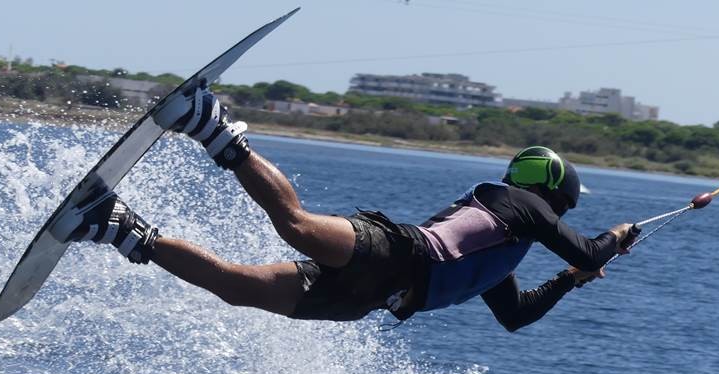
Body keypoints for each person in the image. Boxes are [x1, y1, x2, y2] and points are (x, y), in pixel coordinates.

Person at [67, 85, 639, 329]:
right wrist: (616, 237)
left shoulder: (504, 252)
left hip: (373, 297)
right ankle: (211, 126)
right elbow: (591, 249)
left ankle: (120, 227)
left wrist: (569, 280)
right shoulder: (519, 202)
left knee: (237, 288)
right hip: (397, 252)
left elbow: (515, 316)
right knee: (296, 226)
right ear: (556, 196)